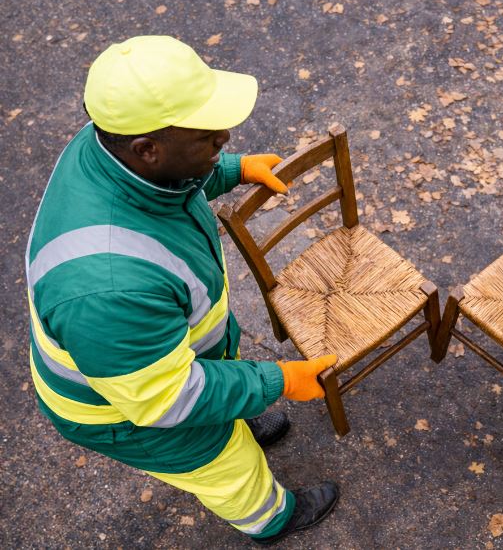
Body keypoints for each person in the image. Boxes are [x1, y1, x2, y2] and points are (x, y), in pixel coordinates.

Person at [26, 35, 340, 544]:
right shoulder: (108, 290)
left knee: (224, 407)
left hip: (156, 360)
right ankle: (272, 517)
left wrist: (231, 169)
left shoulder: (112, 146)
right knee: (221, 462)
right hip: (129, 410)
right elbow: (168, 400)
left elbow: (169, 184)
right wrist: (277, 381)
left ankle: (237, 414)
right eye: (210, 137)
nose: (225, 136)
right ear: (147, 148)